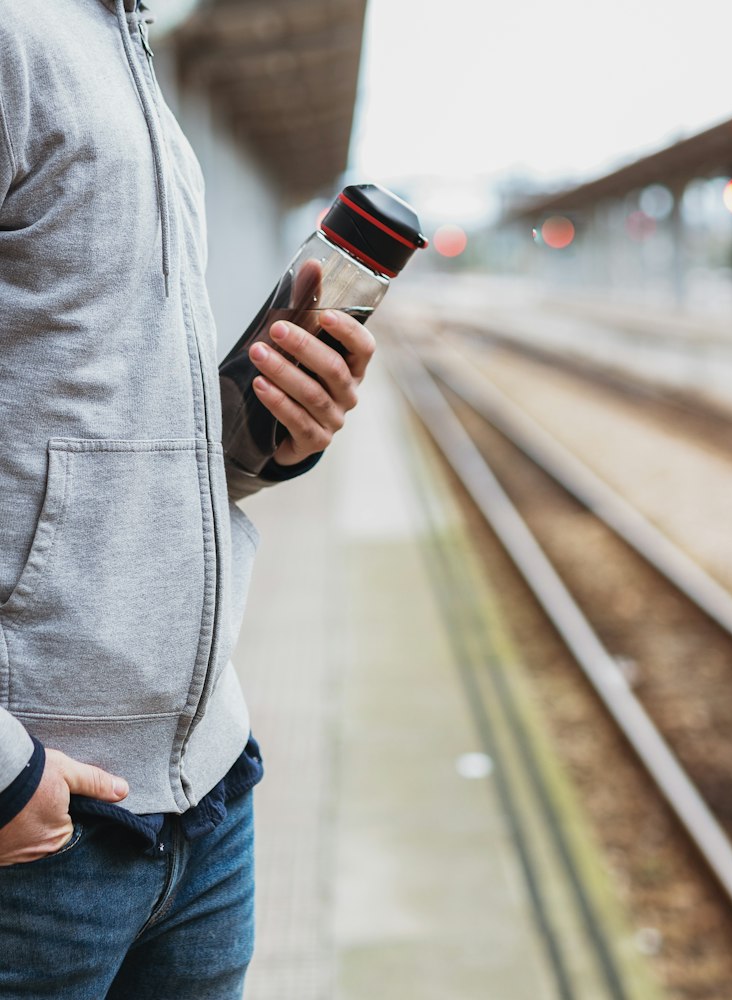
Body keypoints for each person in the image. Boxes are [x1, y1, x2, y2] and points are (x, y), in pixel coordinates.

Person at [0, 1, 374, 996]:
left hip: (208, 798)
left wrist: (270, 437)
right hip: (38, 835)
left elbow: (97, 429)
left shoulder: (124, 47)